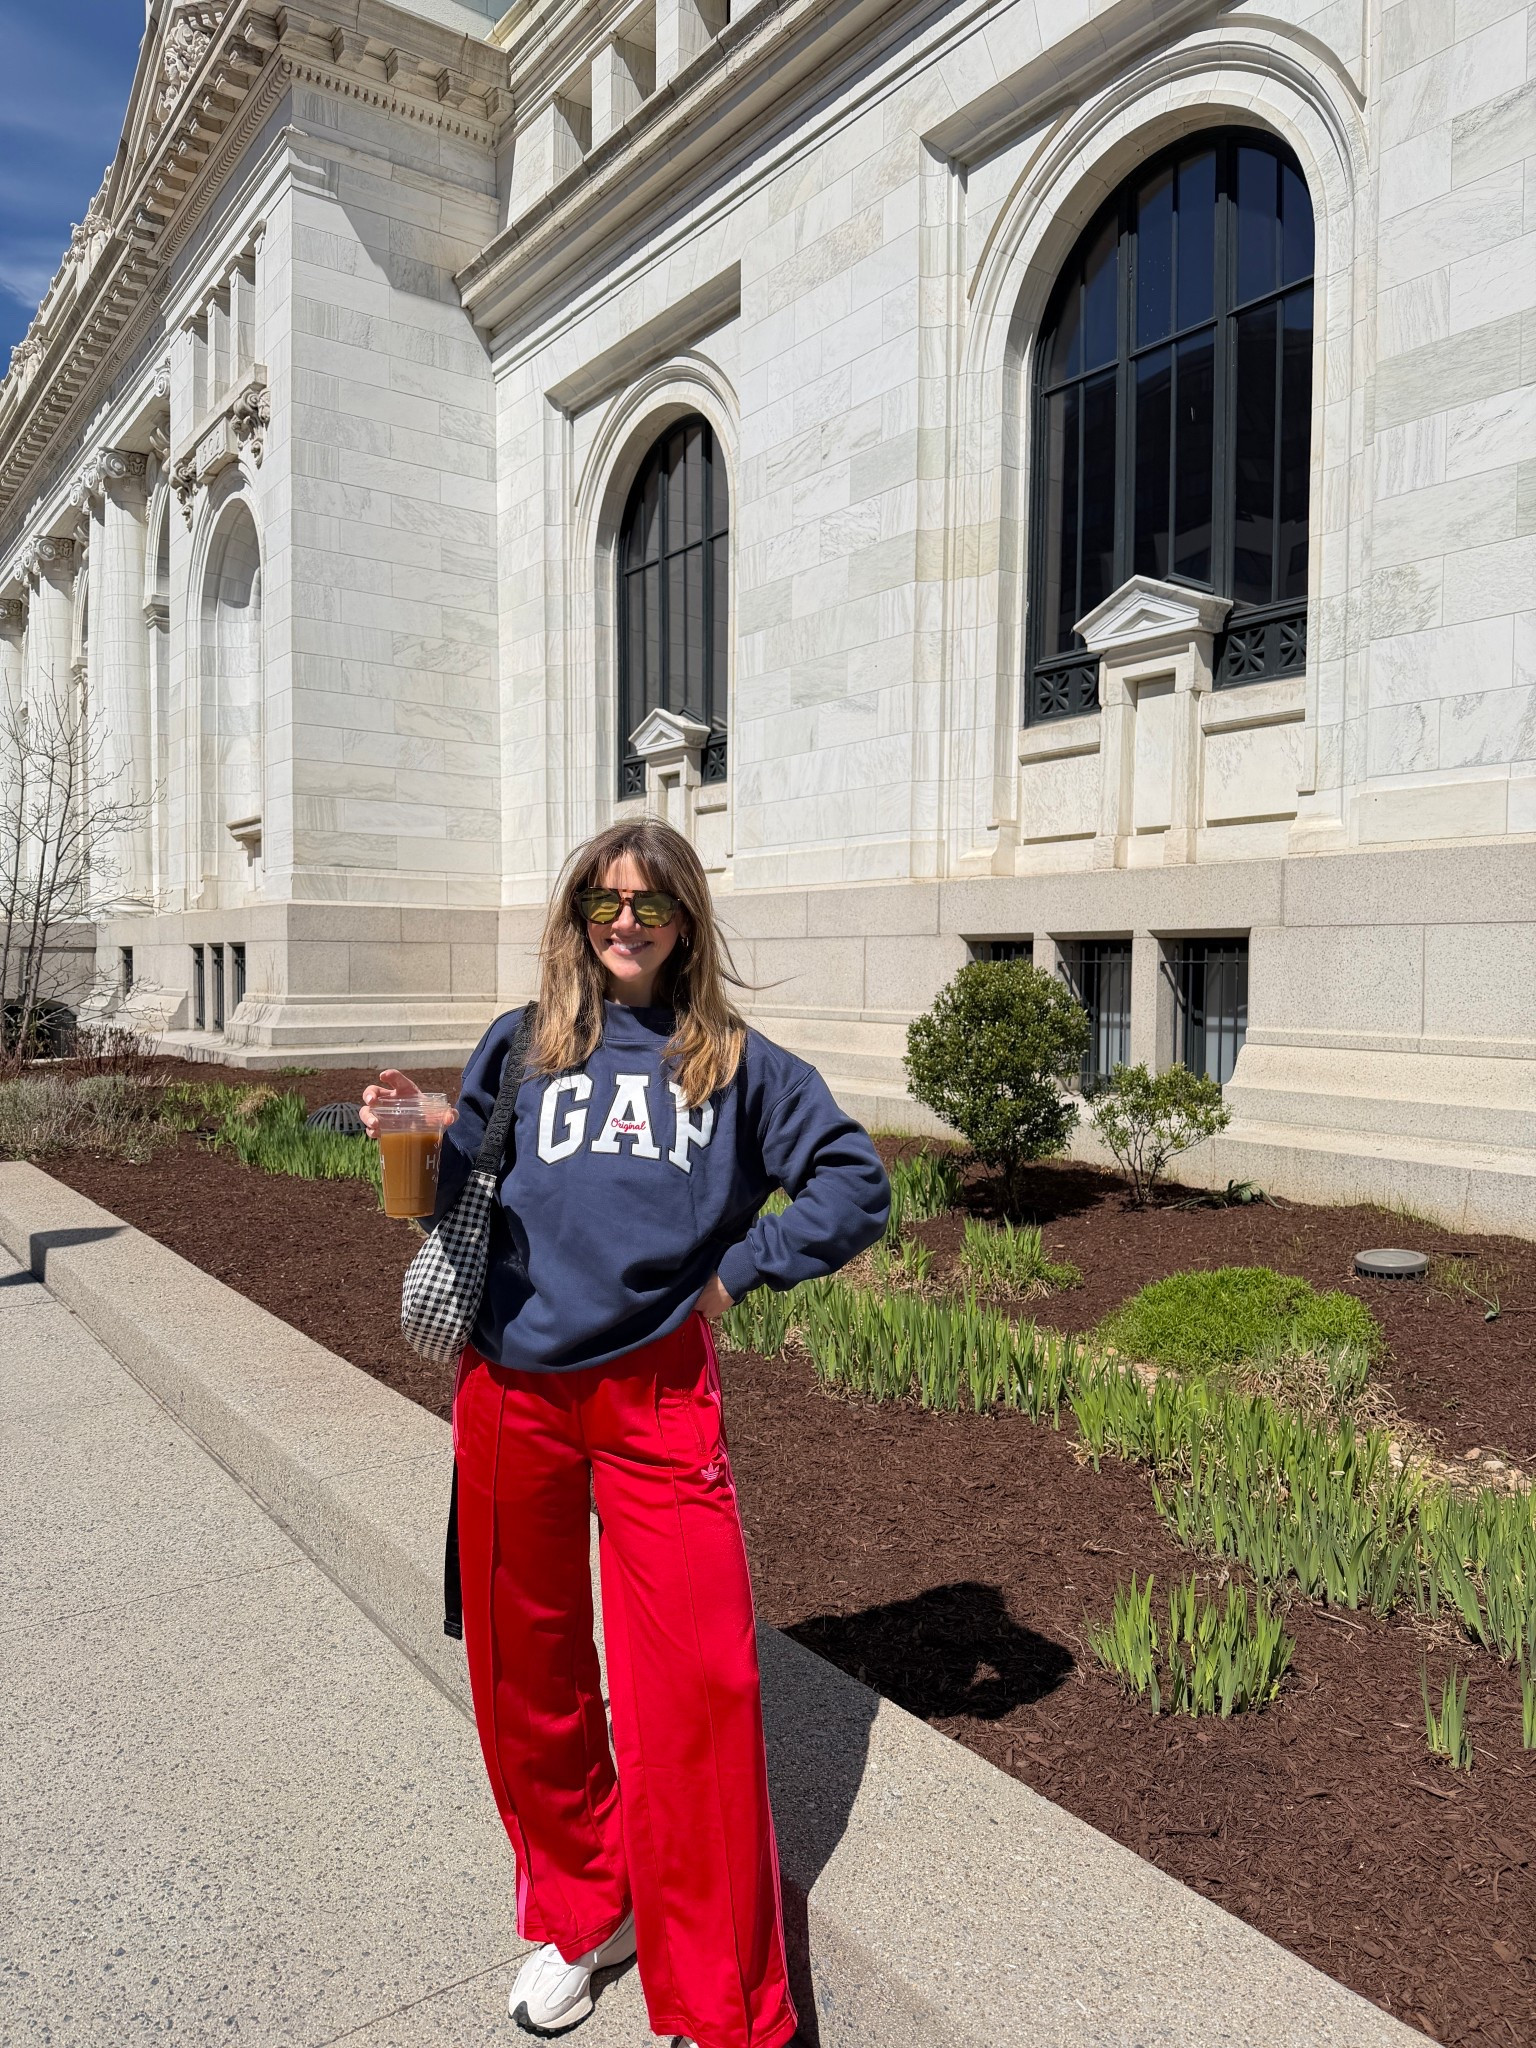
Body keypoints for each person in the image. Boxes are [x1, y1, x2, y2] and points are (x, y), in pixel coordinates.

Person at [362, 818, 889, 2048]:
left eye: (648, 904)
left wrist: (736, 1272)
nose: (624, 922)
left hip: (655, 1394)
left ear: (686, 920)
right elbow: (475, 1192)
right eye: (602, 901)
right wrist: (419, 1130)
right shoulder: (527, 1042)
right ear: (575, 915)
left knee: (699, 1689)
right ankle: (588, 1906)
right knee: (524, 1675)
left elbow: (855, 1181)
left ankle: (721, 2005)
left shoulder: (735, 1063)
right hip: (513, 1391)